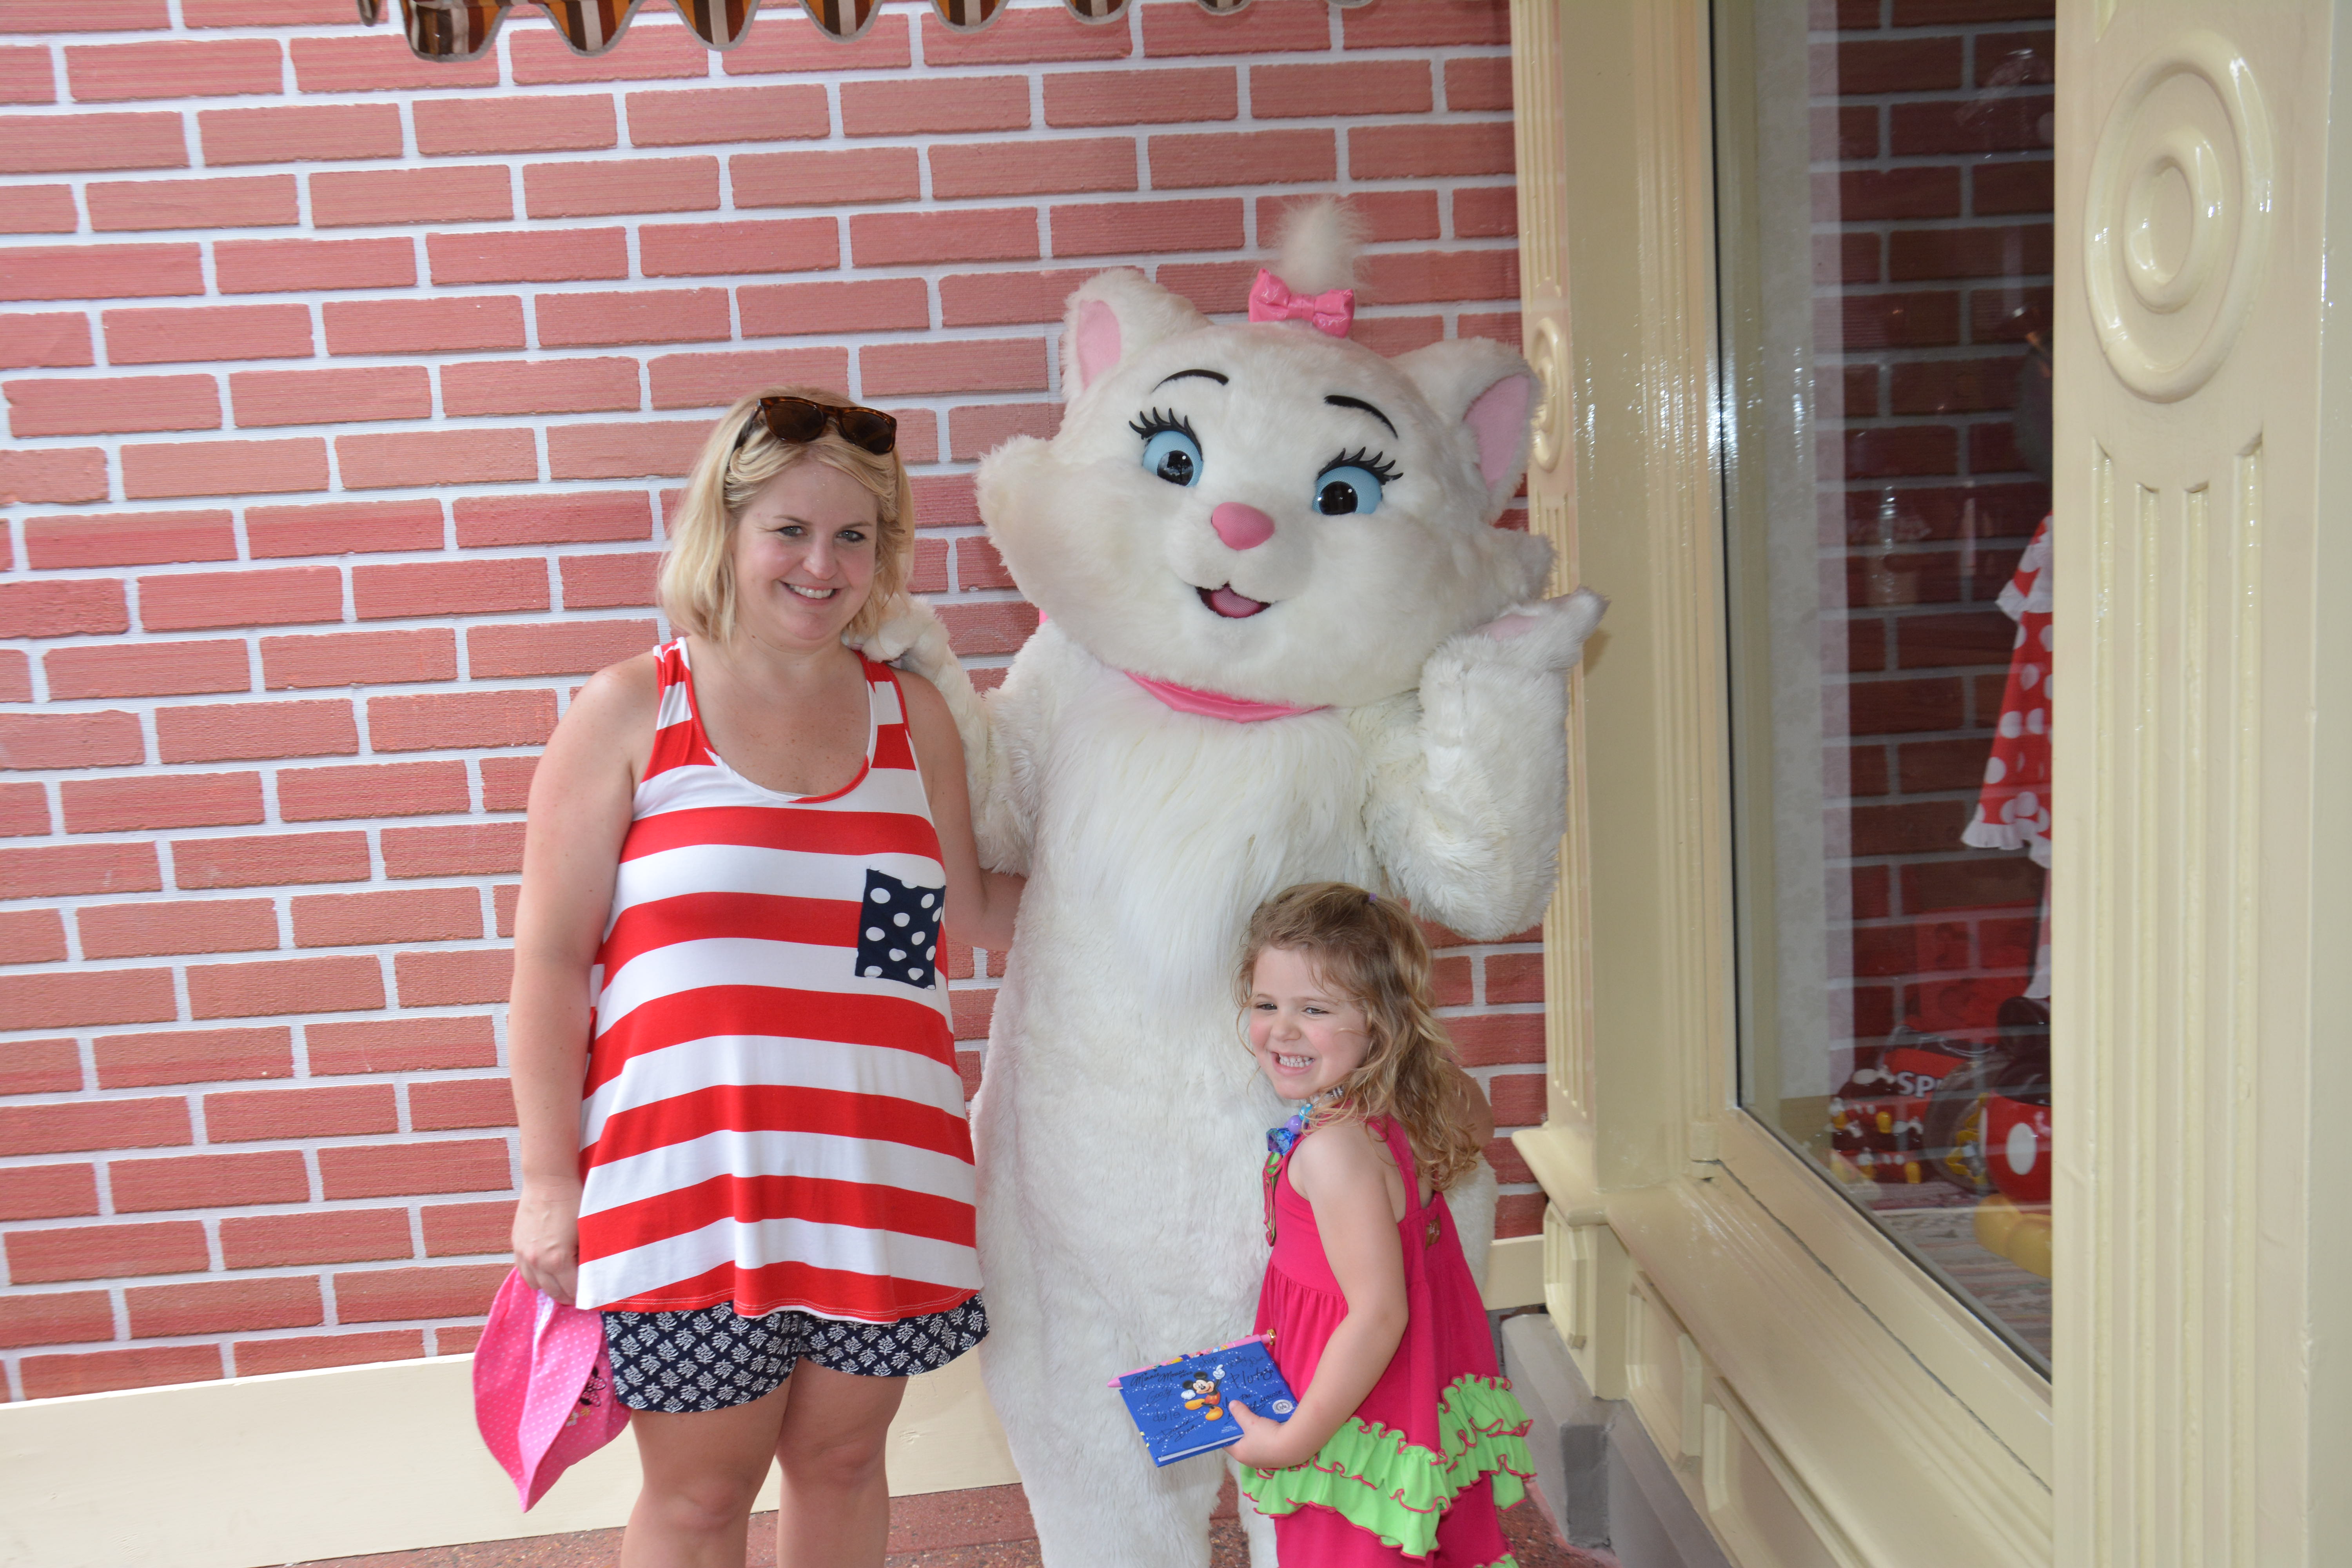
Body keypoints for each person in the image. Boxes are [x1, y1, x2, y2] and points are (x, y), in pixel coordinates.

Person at [505, 387, 1022, 1568]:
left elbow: (964, 915)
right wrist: (547, 1181)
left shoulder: (914, 718)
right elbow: (549, 961)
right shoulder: (635, 707)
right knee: (699, 1498)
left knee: (843, 1466)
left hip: (881, 1171)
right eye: (790, 530)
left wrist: (1180, 865)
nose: (821, 565)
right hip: (687, 1182)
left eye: (854, 536)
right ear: (725, 531)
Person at [1225, 882, 1535, 1566]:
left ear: (1380, 1022)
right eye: (1266, 1004)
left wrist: (1291, 1442)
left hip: (1350, 1409)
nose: (1282, 1030)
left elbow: (1377, 1314)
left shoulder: (1334, 1151)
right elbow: (1478, 1121)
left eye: (1314, 1009)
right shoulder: (1398, 1107)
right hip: (1407, 1392)